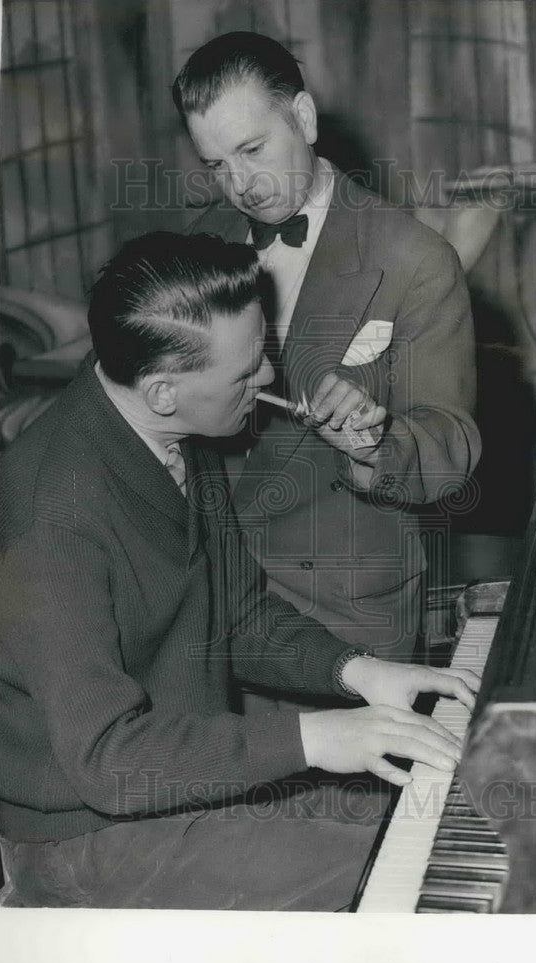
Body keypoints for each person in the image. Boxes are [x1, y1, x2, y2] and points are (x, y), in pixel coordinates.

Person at [0, 232, 479, 911]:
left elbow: (238, 614)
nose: (270, 380)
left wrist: (359, 673)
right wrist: (315, 736)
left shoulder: (170, 430)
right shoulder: (53, 514)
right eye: (247, 370)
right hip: (87, 842)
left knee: (432, 821)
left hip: (175, 795)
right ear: (164, 391)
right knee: (420, 872)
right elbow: (108, 760)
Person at [173, 32, 480, 661]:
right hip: (210, 598)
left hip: (344, 611)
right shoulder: (200, 244)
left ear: (305, 119)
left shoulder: (414, 258)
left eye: (253, 149)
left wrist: (376, 441)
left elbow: (449, 449)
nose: (240, 184)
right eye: (216, 164)